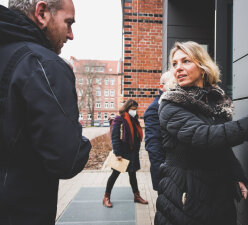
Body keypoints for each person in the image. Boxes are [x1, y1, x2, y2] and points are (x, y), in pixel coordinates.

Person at [154, 41, 248, 225]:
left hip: (218, 191)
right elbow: (206, 136)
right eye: (174, 64)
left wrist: (236, 174)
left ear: (203, 67)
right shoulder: (171, 104)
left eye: (186, 61)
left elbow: (221, 146)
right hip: (184, 193)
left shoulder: (215, 101)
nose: (178, 68)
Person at [0, 1, 91, 225]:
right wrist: (82, 141)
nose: (70, 35)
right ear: (42, 13)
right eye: (68, 23)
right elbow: (67, 160)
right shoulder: (42, 64)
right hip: (22, 212)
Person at [103, 99, 148, 208]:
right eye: (133, 109)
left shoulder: (134, 120)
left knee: (132, 174)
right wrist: (117, 153)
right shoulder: (119, 119)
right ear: (127, 108)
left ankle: (136, 196)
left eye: (136, 109)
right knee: (114, 175)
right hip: (122, 153)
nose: (135, 111)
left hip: (132, 152)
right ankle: (106, 197)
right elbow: (115, 137)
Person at [144, 71, 174, 191]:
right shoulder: (154, 109)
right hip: (167, 175)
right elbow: (154, 146)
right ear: (161, 87)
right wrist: (164, 176)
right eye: (173, 84)